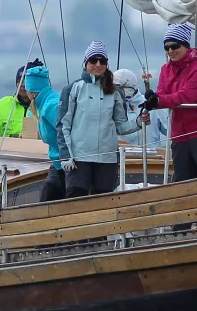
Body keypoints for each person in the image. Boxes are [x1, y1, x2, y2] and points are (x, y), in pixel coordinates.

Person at [141, 24, 197, 183]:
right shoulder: (166, 69)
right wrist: (153, 100)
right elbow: (162, 93)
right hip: (179, 134)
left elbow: (185, 96)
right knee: (181, 182)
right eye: (167, 47)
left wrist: (159, 100)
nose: (170, 51)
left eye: (174, 46)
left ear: (185, 45)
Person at [57, 41, 140, 198]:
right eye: (93, 60)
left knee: (104, 200)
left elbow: (121, 126)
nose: (98, 64)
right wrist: (66, 156)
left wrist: (139, 122)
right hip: (79, 158)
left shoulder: (116, 92)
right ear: (85, 63)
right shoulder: (72, 89)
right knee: (76, 197)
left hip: (107, 159)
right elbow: (63, 125)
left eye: (102, 61)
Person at [22, 64, 65, 201]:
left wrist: (68, 158)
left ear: (33, 92)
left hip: (69, 163)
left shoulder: (51, 105)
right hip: (57, 162)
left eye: (27, 90)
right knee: (48, 195)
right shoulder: (41, 104)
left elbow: (67, 132)